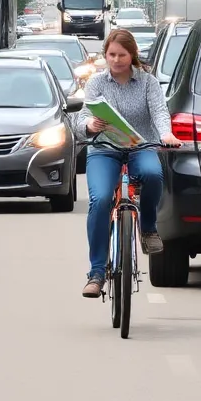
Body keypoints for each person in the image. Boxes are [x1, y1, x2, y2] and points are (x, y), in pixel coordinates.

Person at [72, 28, 182, 299]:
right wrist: (90, 125)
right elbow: (84, 114)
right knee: (99, 200)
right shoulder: (97, 83)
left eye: (122, 55)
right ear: (105, 55)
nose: (116, 60)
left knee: (153, 173)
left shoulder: (147, 82)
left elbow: (159, 110)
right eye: (111, 54)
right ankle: (96, 273)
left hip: (139, 147)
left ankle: (148, 228)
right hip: (104, 149)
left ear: (132, 55)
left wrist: (166, 134)